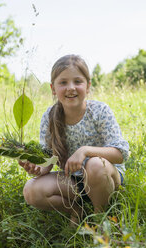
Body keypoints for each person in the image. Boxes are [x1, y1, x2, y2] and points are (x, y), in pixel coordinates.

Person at [19, 54, 129, 225]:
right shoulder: (50, 116)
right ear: (53, 89)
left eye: (77, 81)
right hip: (72, 182)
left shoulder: (100, 111)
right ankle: (78, 210)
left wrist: (84, 151)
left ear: (88, 86)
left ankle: (99, 219)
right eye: (63, 82)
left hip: (105, 177)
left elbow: (120, 154)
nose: (71, 88)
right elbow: (48, 159)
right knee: (31, 190)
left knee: (94, 164)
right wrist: (37, 168)